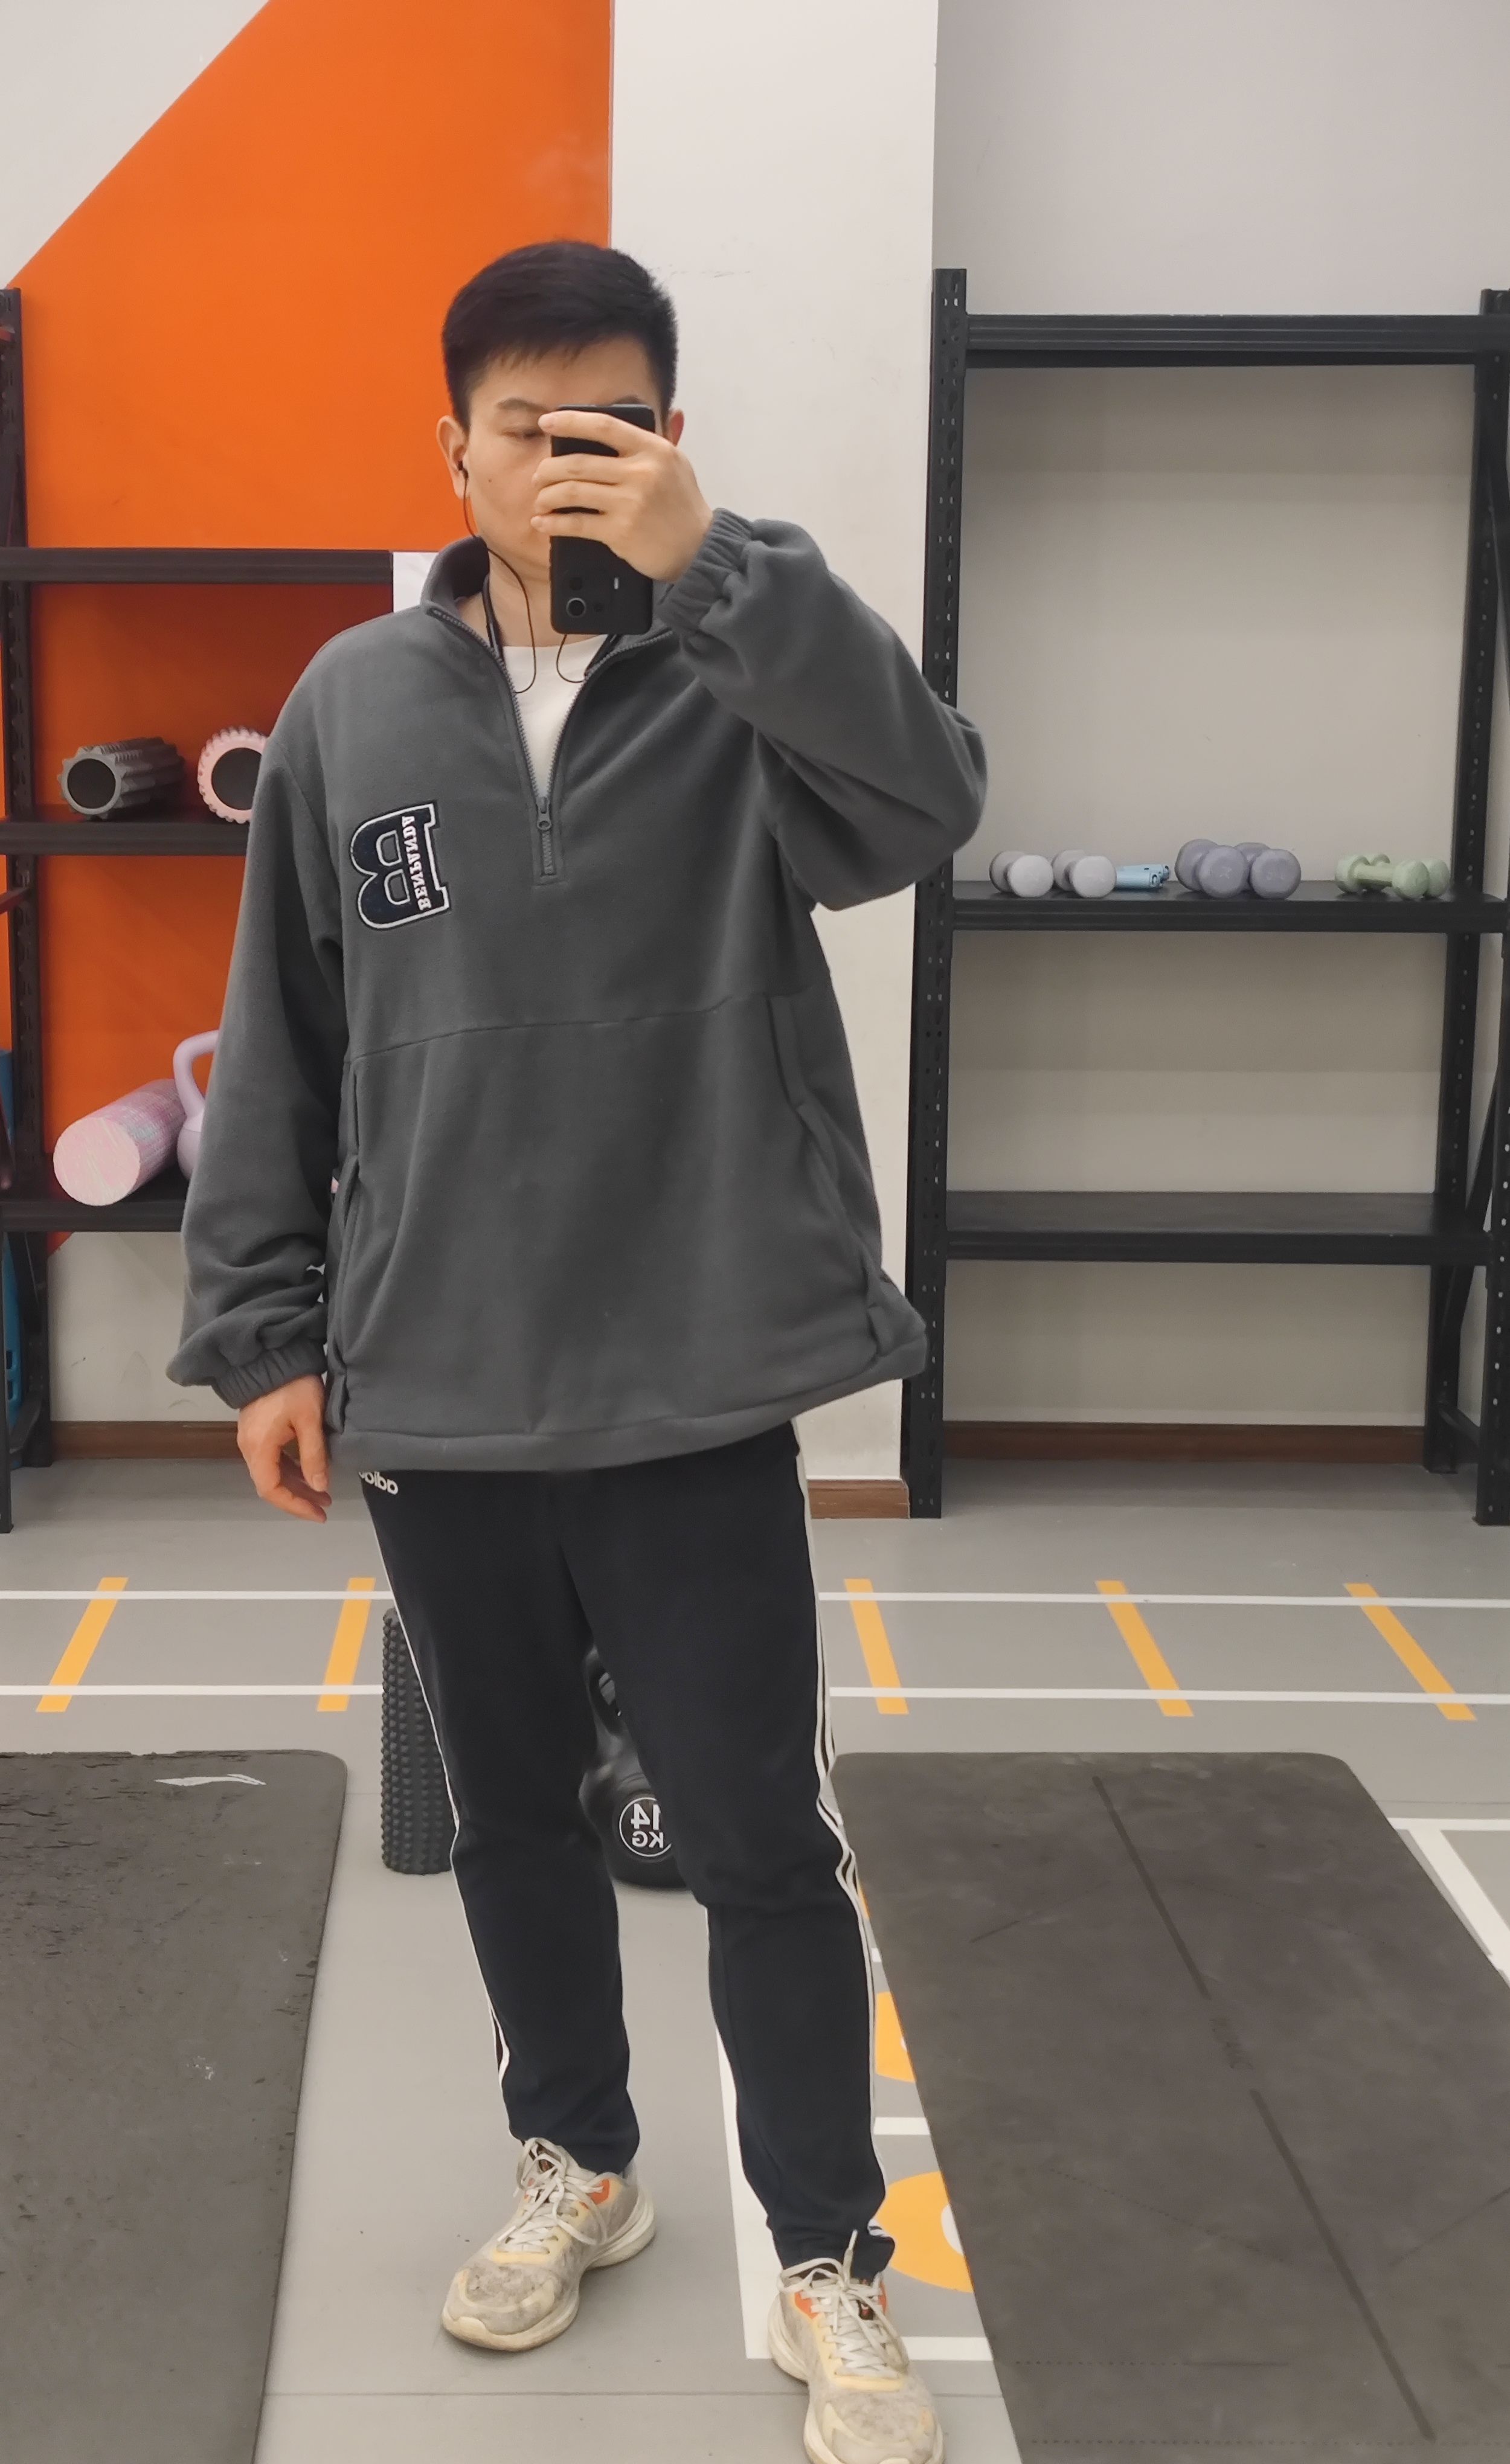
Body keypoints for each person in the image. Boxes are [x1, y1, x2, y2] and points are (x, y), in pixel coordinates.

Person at [170, 239, 985, 2464]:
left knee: (757, 1842)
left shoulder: (746, 673)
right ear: (450, 449)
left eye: (608, 421)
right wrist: (261, 1333)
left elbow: (926, 804)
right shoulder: (351, 705)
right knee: (512, 1827)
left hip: (692, 1370)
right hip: (438, 1378)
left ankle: (823, 2256)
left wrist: (720, 568)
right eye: (523, 425)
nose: (561, 460)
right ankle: (580, 2167)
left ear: (669, 435)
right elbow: (284, 1038)